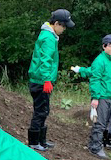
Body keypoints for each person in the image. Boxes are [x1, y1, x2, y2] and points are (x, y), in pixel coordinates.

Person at [27, 9, 75, 151]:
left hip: (41, 80)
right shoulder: (48, 37)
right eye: (63, 26)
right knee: (40, 111)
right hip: (40, 81)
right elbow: (45, 60)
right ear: (56, 23)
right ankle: (34, 142)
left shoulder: (50, 36)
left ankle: (42, 140)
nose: (64, 29)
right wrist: (47, 80)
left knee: (44, 110)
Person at [77, 34, 111, 159]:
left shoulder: (110, 60)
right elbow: (95, 79)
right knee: (100, 123)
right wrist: (95, 97)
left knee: (103, 121)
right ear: (104, 46)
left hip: (108, 96)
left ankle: (93, 144)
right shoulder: (100, 60)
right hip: (101, 96)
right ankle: (95, 147)